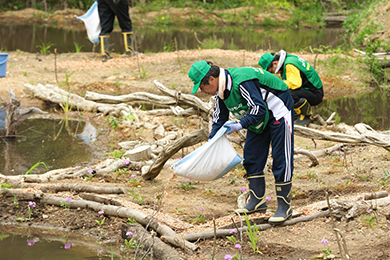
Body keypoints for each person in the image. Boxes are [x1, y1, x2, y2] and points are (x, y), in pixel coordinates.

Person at [188, 60, 294, 224]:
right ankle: (257, 201)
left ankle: (284, 207)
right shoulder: (221, 91)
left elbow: (259, 109)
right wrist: (211, 142)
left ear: (211, 80)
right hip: (258, 115)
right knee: (252, 155)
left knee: (281, 156)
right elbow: (219, 118)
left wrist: (239, 125)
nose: (202, 91)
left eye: (201, 87)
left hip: (277, 109)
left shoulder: (242, 81)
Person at [258, 50, 324, 125]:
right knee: (284, 92)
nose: (271, 73)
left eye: (270, 70)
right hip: (307, 91)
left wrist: (277, 84)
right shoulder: (286, 61)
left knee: (288, 93)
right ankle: (294, 114)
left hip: (315, 94)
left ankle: (306, 116)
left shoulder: (289, 64)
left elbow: (295, 84)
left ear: (275, 63)